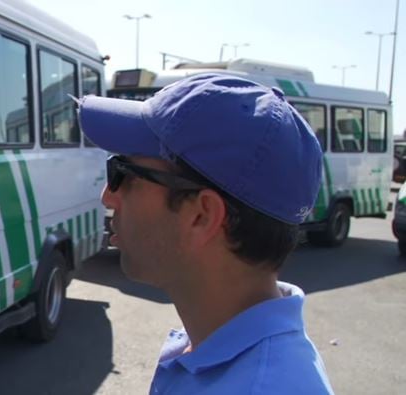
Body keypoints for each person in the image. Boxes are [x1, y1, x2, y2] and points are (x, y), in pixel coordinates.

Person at [78, 73, 333, 394]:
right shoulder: (218, 345)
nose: (108, 197)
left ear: (202, 215)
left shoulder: (263, 386)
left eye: (122, 174)